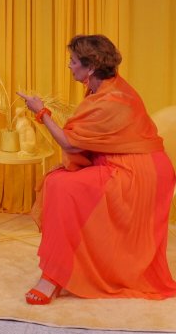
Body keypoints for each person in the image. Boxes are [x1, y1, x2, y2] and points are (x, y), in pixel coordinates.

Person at [18, 34, 176, 304]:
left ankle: (53, 277)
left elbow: (71, 144)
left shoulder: (111, 98)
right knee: (59, 183)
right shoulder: (104, 89)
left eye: (73, 61)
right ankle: (60, 271)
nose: (69, 65)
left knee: (61, 186)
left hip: (138, 173)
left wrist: (41, 112)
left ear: (90, 68)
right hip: (127, 163)